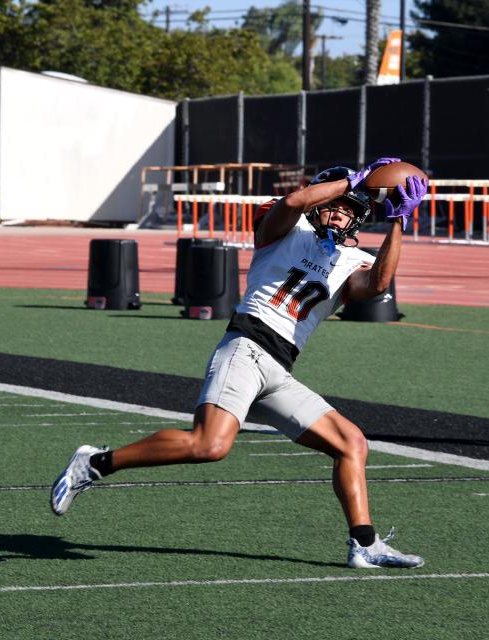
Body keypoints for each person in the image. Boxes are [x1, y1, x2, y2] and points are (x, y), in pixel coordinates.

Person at [50, 158, 428, 568]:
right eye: (335, 202)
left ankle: (365, 543)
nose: (339, 211)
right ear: (322, 198)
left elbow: (379, 285)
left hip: (279, 370)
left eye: (350, 208)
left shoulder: (353, 261)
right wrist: (346, 183)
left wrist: (399, 222)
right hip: (246, 347)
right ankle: (94, 462)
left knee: (351, 442)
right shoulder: (284, 228)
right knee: (209, 445)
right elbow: (295, 201)